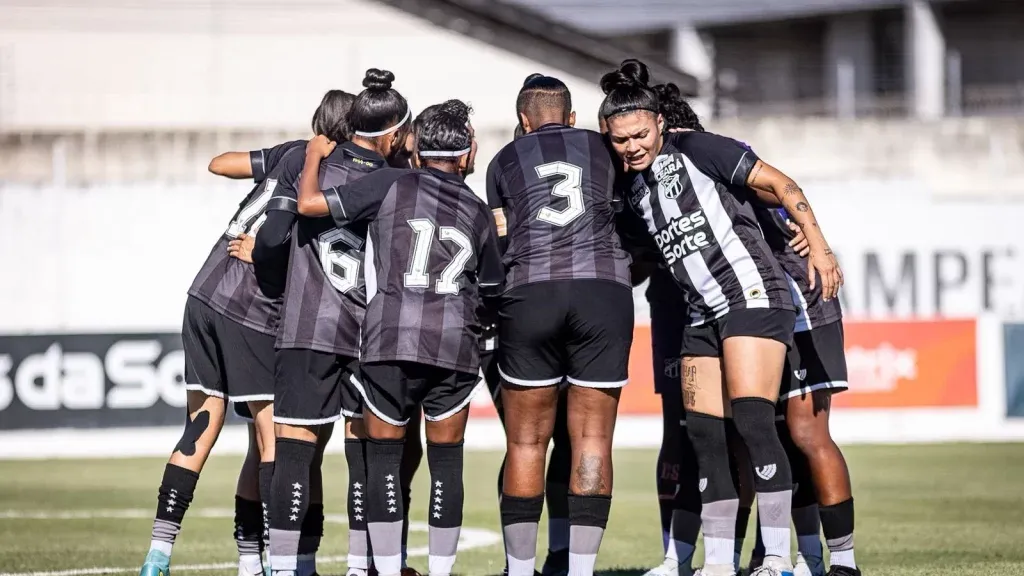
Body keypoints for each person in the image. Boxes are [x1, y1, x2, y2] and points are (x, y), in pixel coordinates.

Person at [601, 59, 843, 576]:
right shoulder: (632, 188)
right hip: (700, 314)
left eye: (640, 135)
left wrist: (819, 246)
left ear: (659, 123)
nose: (633, 146)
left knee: (755, 422)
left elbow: (782, 183)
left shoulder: (698, 148)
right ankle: (716, 563)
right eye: (621, 140)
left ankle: (777, 557)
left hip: (753, 297)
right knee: (705, 438)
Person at [137, 92, 350, 576]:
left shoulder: (290, 152)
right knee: (274, 439)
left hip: (202, 296)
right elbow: (280, 237)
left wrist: (275, 167)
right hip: (250, 310)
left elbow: (219, 163)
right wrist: (267, 250)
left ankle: (159, 555)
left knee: (201, 426)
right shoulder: (327, 171)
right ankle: (273, 562)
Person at [297, 98, 501, 576]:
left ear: (416, 150)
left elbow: (311, 205)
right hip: (453, 343)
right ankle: (441, 573)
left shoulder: (390, 183)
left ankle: (387, 571)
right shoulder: (477, 209)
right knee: (447, 465)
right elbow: (493, 288)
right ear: (466, 154)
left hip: (390, 339)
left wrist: (310, 158)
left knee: (384, 460)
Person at [260, 69, 414, 576]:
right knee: (363, 455)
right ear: (393, 134)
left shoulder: (309, 163)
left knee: (294, 454)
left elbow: (273, 236)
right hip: (367, 335)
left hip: (304, 328)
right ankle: (358, 567)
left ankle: (288, 569)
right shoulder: (396, 181)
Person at [489, 74, 635, 576]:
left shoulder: (503, 160)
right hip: (602, 292)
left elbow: (501, 242)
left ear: (523, 120)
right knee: (593, 439)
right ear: (572, 117)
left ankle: (520, 571)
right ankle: (580, 571)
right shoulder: (603, 147)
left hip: (530, 291)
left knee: (526, 443)